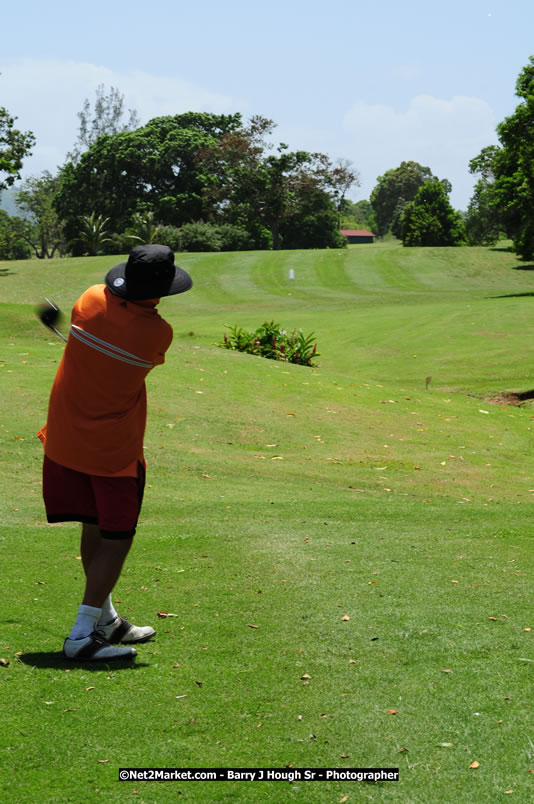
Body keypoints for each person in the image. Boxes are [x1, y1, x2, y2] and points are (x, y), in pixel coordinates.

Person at [37, 245, 192, 661]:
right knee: (117, 537)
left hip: (66, 437)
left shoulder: (87, 299)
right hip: (113, 451)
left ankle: (105, 619)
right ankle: (82, 635)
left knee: (93, 525)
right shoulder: (158, 334)